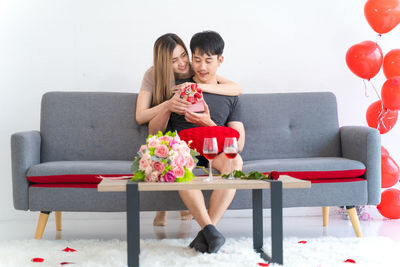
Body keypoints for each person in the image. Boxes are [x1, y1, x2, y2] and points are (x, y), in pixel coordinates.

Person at [148, 31, 245, 253]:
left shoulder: (230, 95)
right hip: (183, 151)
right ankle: (210, 232)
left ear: (219, 61)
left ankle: (207, 233)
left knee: (235, 162)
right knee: (178, 164)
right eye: (197, 59)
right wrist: (169, 106)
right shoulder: (178, 87)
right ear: (191, 59)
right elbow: (154, 132)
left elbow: (238, 144)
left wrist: (208, 123)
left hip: (215, 150)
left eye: (208, 60)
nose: (202, 66)